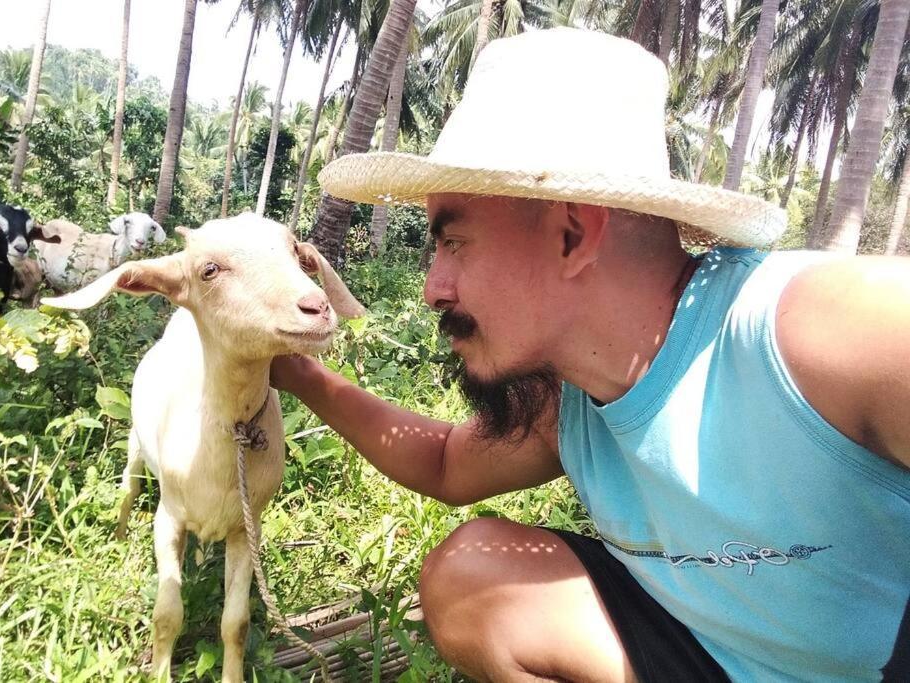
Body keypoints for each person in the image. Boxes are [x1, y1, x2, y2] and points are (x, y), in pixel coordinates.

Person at [272, 28, 910, 682]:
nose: (434, 287)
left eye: (454, 241)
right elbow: (442, 461)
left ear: (572, 235)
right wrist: (300, 374)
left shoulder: (813, 330)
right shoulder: (573, 400)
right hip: (701, 656)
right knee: (473, 576)